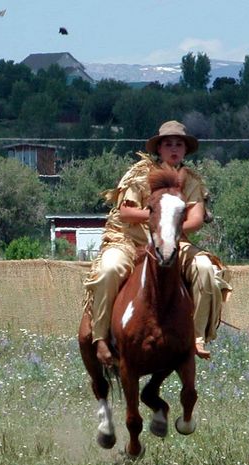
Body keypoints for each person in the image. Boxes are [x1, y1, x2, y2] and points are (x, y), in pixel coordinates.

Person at [83, 120, 231, 365]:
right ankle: (100, 337)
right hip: (129, 241)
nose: (174, 148)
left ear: (185, 150)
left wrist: (169, 229)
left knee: (206, 269)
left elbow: (195, 220)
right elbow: (126, 213)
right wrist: (157, 216)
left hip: (174, 242)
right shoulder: (140, 174)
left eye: (179, 144)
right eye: (168, 144)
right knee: (108, 269)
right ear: (159, 149)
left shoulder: (191, 181)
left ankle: (197, 336)